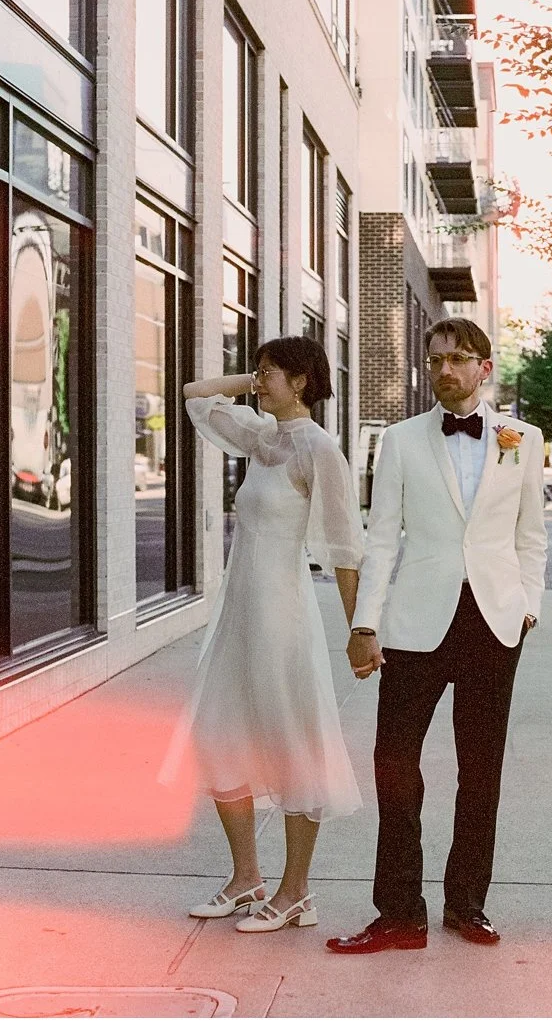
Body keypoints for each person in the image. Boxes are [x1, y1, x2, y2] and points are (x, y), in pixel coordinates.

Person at [327, 318, 547, 953]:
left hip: (494, 622)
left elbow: (530, 536)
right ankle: (398, 914)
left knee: (481, 771)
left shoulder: (522, 440)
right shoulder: (398, 441)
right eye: (435, 360)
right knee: (394, 765)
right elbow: (380, 538)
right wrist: (364, 622)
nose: (444, 370)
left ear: (484, 368)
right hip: (415, 624)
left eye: (458, 359)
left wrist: (528, 607)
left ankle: (466, 905)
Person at [161, 336, 364, 933]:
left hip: (281, 615)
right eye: (258, 370)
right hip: (238, 613)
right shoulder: (262, 437)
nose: (258, 379)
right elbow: (195, 397)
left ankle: (296, 891)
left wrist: (361, 630)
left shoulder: (318, 450)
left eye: (270, 371)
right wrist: (249, 384)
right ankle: (246, 878)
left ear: (301, 381)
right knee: (221, 736)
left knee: (291, 742)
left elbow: (344, 548)